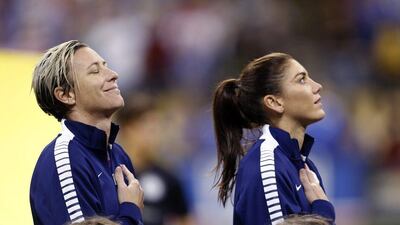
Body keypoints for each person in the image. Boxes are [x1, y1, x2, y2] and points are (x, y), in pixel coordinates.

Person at [212, 53, 335, 225]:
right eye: (301, 80)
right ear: (274, 102)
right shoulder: (267, 169)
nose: (317, 86)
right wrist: (323, 212)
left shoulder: (301, 164)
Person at [30, 40, 144, 225]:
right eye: (95, 71)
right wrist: (131, 210)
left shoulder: (118, 154)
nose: (114, 75)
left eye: (106, 66)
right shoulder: (65, 160)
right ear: (66, 95)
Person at [116, 94, 193, 225]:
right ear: (128, 129)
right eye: (150, 129)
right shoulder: (110, 174)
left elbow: (186, 219)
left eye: (158, 129)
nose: (156, 136)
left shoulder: (169, 177)